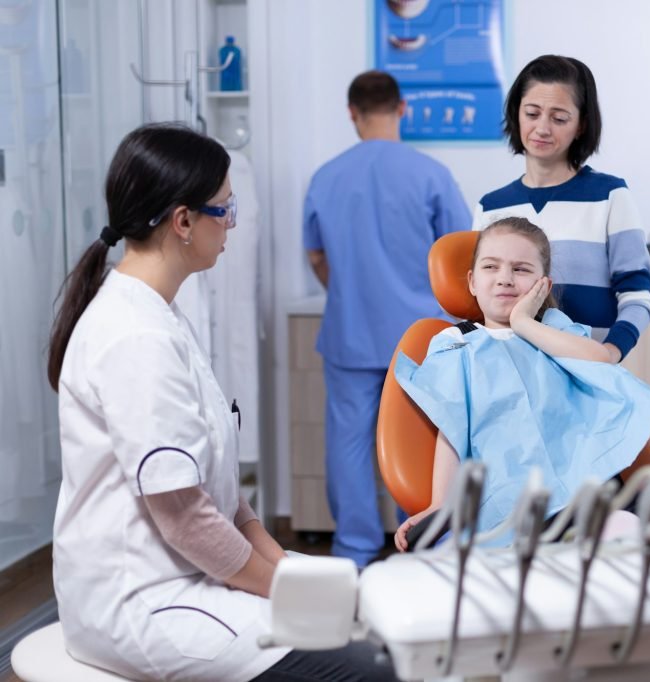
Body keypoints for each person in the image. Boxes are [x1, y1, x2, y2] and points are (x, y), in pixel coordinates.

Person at [48, 123, 396, 682]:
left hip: (191, 573)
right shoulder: (136, 335)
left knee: (377, 618)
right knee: (370, 669)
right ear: (184, 222)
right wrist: (279, 590)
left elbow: (221, 495)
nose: (231, 226)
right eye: (225, 211)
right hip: (145, 600)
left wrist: (282, 566)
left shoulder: (163, 314)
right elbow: (185, 518)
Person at [392, 218, 650, 594]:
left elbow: (599, 361)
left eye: (522, 269)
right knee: (629, 533)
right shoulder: (454, 344)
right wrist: (440, 505)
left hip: (591, 477)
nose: (504, 278)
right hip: (524, 498)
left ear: (543, 285)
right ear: (471, 282)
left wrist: (523, 323)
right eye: (491, 267)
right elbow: (452, 426)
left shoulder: (552, 328)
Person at [303, 70, 472, 568]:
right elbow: (458, 257)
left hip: (350, 333)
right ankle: (419, 548)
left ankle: (353, 553)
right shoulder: (431, 175)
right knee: (417, 443)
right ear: (402, 110)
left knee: (349, 443)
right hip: (418, 341)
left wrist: (351, 293)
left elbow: (315, 256)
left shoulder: (325, 177)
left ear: (352, 114)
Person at [473, 55, 650, 364]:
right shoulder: (490, 207)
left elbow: (637, 297)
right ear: (517, 114)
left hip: (591, 377)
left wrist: (611, 351)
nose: (542, 128)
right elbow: (479, 299)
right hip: (516, 376)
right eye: (532, 113)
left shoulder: (609, 196)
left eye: (559, 118)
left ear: (581, 125)